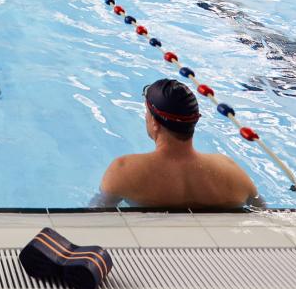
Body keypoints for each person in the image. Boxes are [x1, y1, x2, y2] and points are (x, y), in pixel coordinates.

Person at [96, 78, 257, 211]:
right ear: (195, 121)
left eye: (147, 112)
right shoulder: (232, 172)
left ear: (155, 123)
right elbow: (264, 213)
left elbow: (94, 220)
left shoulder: (123, 171)